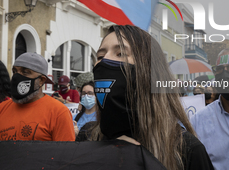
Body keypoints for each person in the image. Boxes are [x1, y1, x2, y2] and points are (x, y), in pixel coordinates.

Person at [91, 25, 214, 170]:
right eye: (100, 56)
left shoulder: (186, 149)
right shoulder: (89, 137)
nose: (104, 60)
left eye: (120, 53)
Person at [0, 52, 75, 142]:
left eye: (25, 72)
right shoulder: (0, 109)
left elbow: (65, 153)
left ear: (41, 80)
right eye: (15, 71)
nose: (17, 76)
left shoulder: (59, 112)